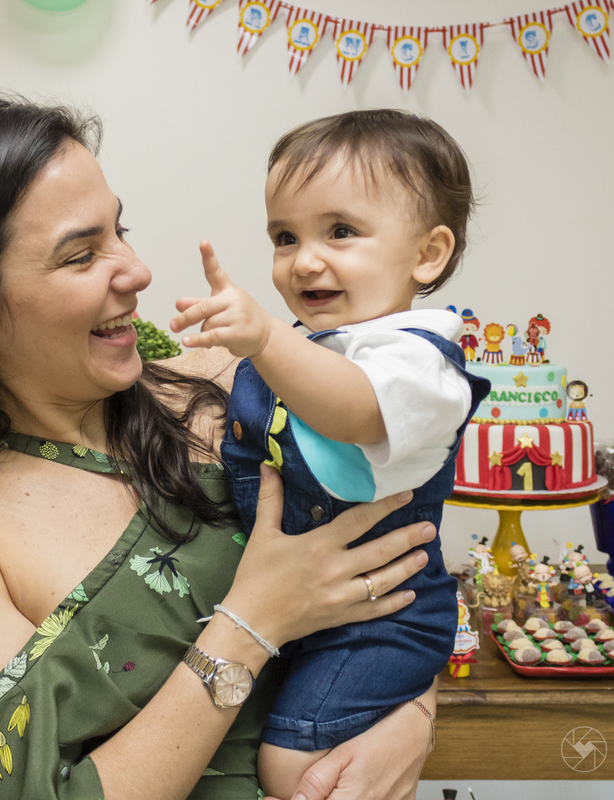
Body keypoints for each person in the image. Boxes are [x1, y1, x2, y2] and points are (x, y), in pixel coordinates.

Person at [0, 95, 446, 800]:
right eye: (81, 254)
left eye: (119, 231)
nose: (136, 270)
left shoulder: (232, 392)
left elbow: (401, 548)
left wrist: (411, 712)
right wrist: (253, 623)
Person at [169, 109, 489, 798]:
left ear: (428, 254)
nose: (305, 259)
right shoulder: (318, 344)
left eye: (340, 231)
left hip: (383, 620)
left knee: (291, 767)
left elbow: (350, 407)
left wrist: (261, 340)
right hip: (311, 612)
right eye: (285, 237)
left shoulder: (419, 365)